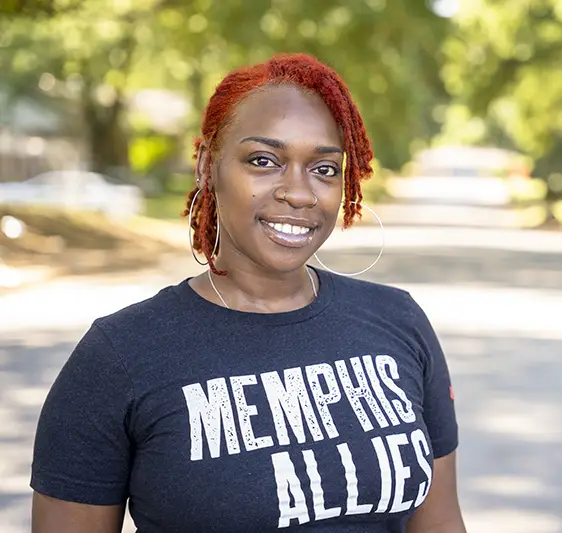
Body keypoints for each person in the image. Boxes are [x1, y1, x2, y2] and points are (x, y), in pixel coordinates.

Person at [30, 53, 466, 533]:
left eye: (324, 168)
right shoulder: (121, 355)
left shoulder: (397, 321)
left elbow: (441, 520)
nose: (299, 193)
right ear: (207, 166)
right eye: (264, 161)